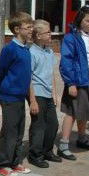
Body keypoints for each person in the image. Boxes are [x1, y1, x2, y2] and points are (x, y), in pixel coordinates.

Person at [58, 5, 89, 160]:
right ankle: (63, 145)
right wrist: (70, 83)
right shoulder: (71, 38)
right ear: (79, 20)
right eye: (88, 20)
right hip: (77, 80)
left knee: (84, 110)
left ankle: (82, 138)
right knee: (72, 112)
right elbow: (66, 61)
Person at [0, 12, 33, 176]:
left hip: (20, 97)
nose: (31, 30)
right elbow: (0, 72)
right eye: (28, 27)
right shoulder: (10, 49)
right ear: (17, 29)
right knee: (9, 131)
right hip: (9, 96)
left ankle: (15, 162)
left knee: (19, 131)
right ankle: (2, 163)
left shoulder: (26, 49)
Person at [27, 19, 62, 168]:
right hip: (37, 93)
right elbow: (28, 78)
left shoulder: (49, 51)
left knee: (53, 124)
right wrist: (32, 100)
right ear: (38, 35)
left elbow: (51, 74)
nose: (51, 35)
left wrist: (55, 94)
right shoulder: (31, 52)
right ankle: (35, 155)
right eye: (48, 32)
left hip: (48, 94)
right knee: (38, 126)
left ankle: (47, 151)